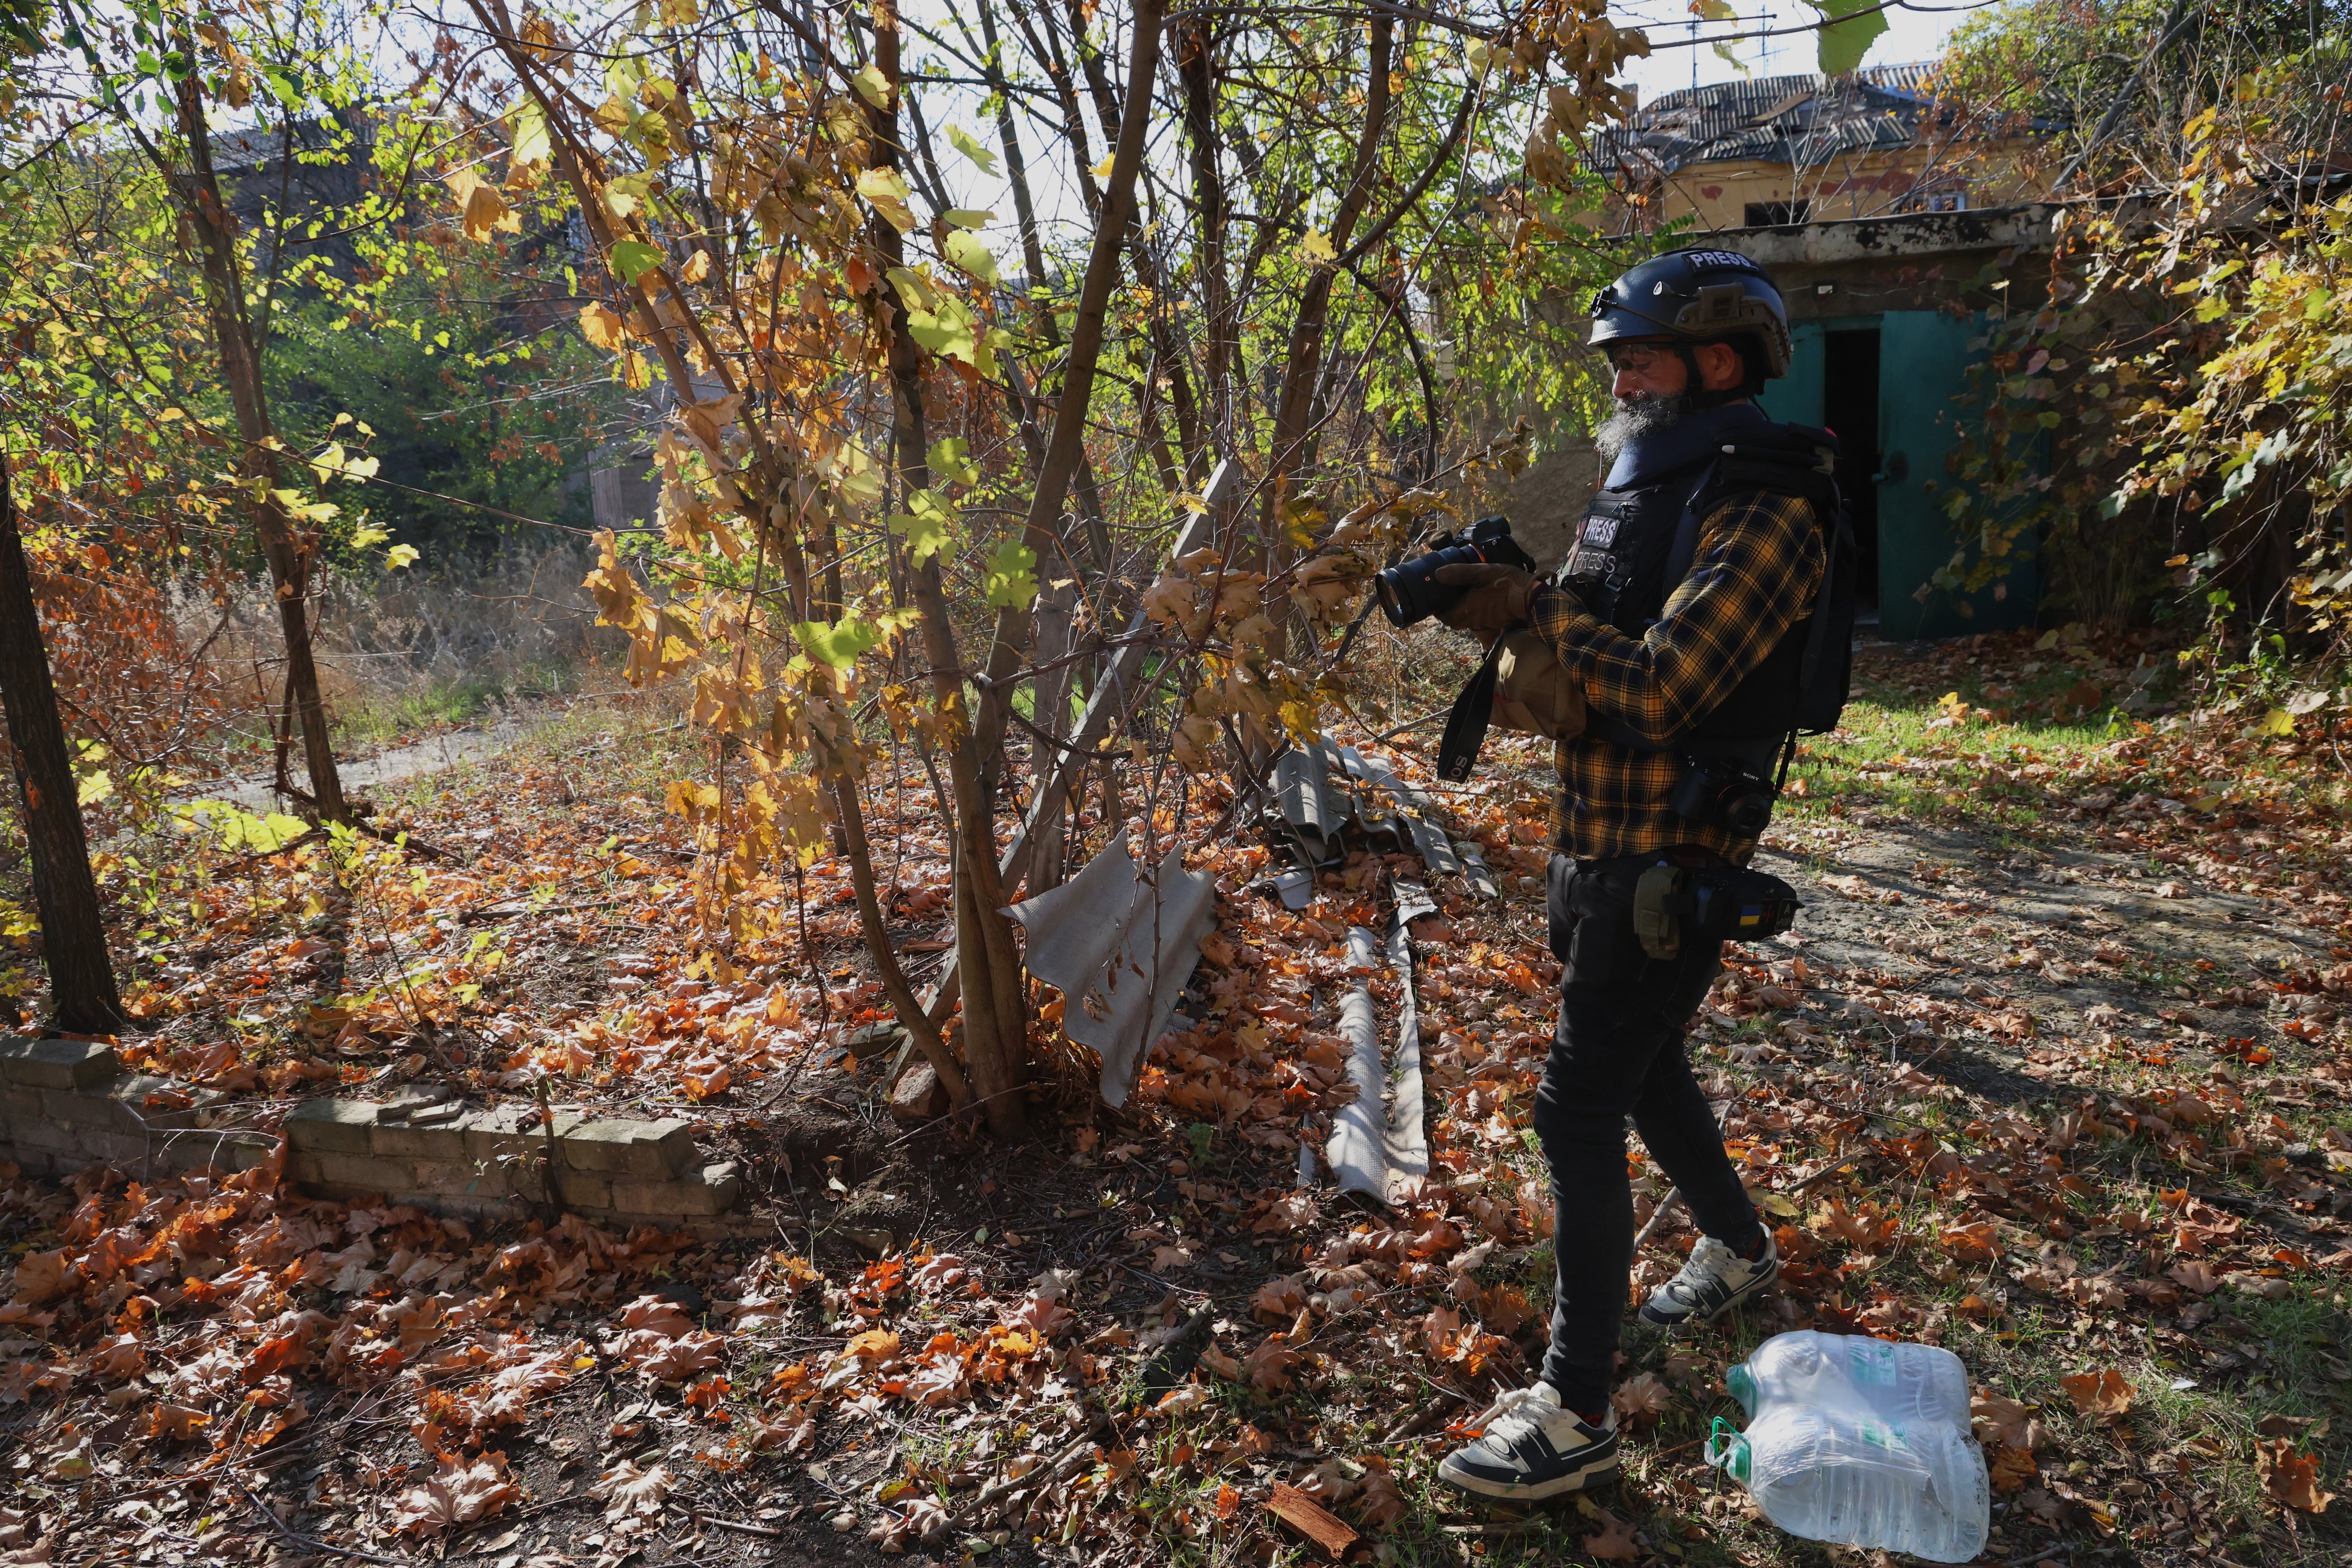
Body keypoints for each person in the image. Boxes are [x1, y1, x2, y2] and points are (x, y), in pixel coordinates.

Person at [1426, 247, 1834, 1500]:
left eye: (1639, 358)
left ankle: (1575, 1409)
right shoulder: (1653, 482)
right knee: (1647, 1068)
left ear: (1719, 364)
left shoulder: (1770, 508)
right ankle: (1743, 1250)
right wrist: (1507, 594)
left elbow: (1661, 686)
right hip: (1601, 847)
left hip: (1675, 863)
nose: (1619, 378)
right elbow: (1593, 648)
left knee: (1574, 1105)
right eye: (1613, 360)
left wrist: (1532, 613)